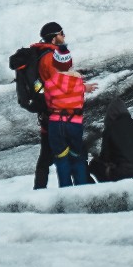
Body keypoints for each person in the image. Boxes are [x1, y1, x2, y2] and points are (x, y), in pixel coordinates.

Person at [10, 22, 63, 189]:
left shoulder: (38, 53)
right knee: (73, 155)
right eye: (62, 33)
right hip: (57, 113)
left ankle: (39, 191)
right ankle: (72, 193)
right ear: (54, 37)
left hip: (45, 112)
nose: (64, 36)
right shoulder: (50, 57)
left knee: (45, 158)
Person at [41, 40, 92, 186]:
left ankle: (66, 193)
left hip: (56, 124)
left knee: (61, 160)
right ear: (70, 63)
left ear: (55, 64)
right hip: (74, 123)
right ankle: (83, 190)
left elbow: (49, 103)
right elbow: (81, 101)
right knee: (77, 157)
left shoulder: (49, 83)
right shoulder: (79, 83)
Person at [92, 105, 133, 181]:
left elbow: (105, 157)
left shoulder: (111, 128)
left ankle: (106, 190)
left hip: (123, 174)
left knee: (95, 165)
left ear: (110, 116)